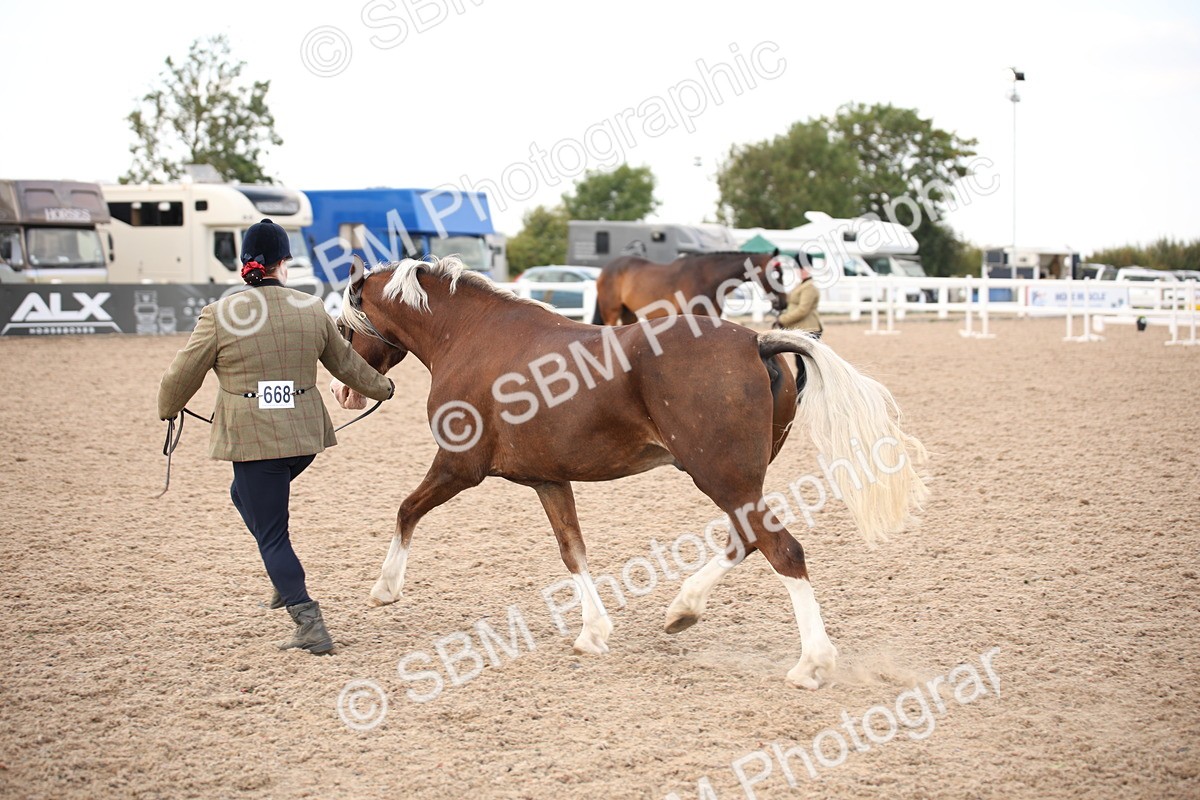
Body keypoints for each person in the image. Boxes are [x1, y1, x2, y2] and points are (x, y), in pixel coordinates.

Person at [157, 219, 394, 655]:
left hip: (254, 442)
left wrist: (168, 409)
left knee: (272, 534)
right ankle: (282, 580)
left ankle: (307, 621)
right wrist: (384, 389)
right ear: (283, 262)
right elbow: (347, 366)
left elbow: (180, 374)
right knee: (242, 497)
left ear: (244, 264)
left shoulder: (219, 315)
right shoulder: (311, 308)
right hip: (304, 439)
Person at [775, 262, 823, 392]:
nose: (802, 271)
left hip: (808, 328)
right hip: (800, 329)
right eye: (800, 268)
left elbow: (803, 310)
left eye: (805, 269)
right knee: (800, 363)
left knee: (805, 364)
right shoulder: (800, 285)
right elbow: (789, 302)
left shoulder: (809, 288)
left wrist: (783, 320)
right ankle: (801, 390)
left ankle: (802, 391)